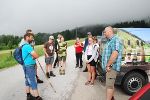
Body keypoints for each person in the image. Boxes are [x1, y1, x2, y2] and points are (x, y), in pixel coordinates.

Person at [102, 26, 123, 100]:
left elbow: (115, 53)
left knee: (109, 86)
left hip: (112, 68)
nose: (104, 33)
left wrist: (108, 65)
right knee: (111, 85)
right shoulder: (109, 40)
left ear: (110, 31)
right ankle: (112, 98)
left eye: (105, 31)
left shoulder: (115, 39)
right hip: (110, 68)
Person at [22, 32, 42, 100]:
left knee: (27, 81)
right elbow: (36, 55)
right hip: (29, 66)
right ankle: (37, 97)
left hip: (26, 65)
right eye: (31, 37)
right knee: (33, 81)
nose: (32, 39)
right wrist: (34, 57)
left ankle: (28, 96)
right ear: (27, 37)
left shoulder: (23, 45)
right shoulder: (27, 46)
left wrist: (33, 57)